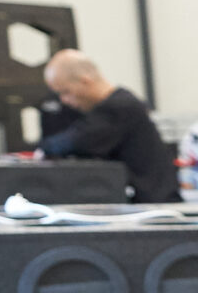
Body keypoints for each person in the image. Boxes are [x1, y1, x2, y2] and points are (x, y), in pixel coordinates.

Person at [38, 51, 182, 202]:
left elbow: (77, 140)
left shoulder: (120, 107)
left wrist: (44, 147)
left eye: (66, 92)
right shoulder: (117, 105)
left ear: (85, 81)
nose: (64, 100)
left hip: (154, 204)